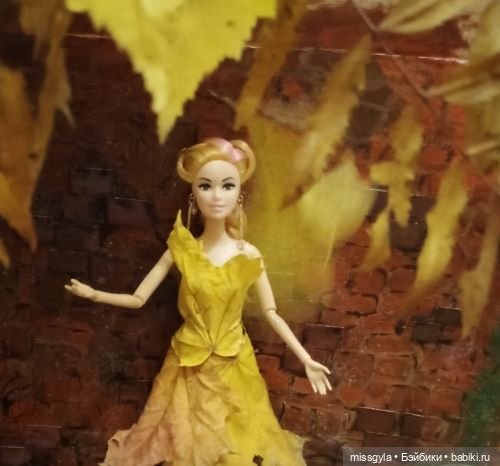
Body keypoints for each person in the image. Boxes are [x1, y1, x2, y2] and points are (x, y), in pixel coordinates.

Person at [65, 137, 332, 466]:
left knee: (237, 445)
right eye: (206, 186)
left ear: (239, 193)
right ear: (194, 194)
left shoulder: (249, 254)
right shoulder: (181, 249)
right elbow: (138, 298)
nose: (217, 196)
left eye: (227, 186)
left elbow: (271, 312)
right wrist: (95, 294)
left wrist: (306, 359)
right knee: (184, 444)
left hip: (233, 362)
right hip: (188, 364)